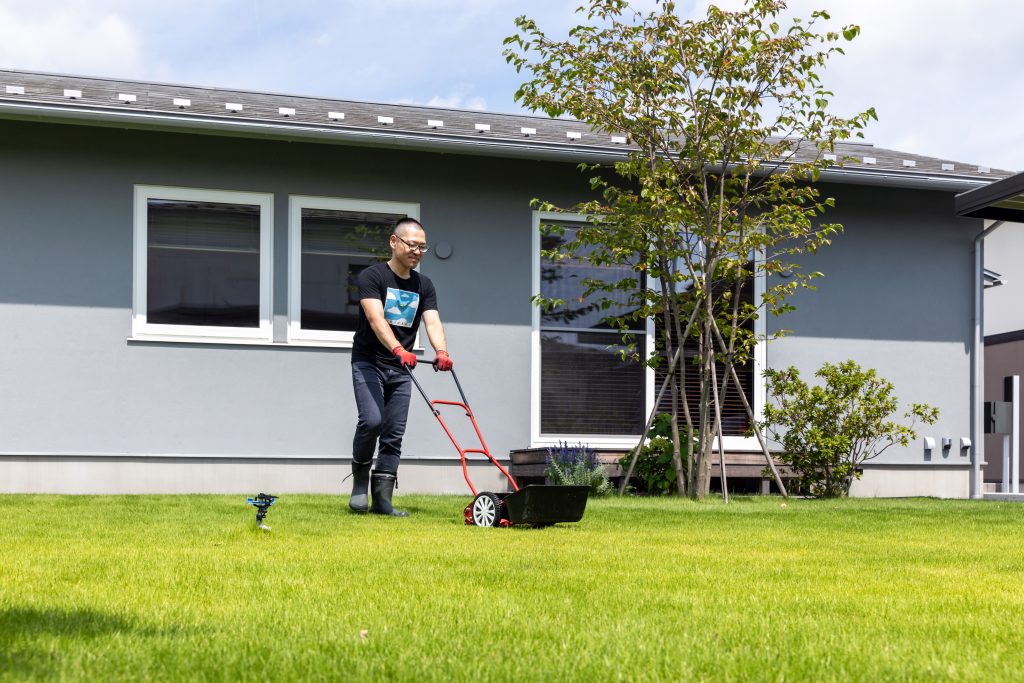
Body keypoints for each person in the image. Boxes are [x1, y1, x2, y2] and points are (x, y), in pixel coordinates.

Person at [347, 217, 453, 516]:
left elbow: (432, 320)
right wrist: (396, 348)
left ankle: (383, 501)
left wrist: (441, 351)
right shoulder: (372, 276)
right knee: (372, 421)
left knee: (393, 432)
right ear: (394, 242)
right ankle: (359, 484)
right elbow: (375, 318)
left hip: (402, 368)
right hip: (369, 361)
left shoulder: (424, 285)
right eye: (412, 244)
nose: (417, 251)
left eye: (423, 247)